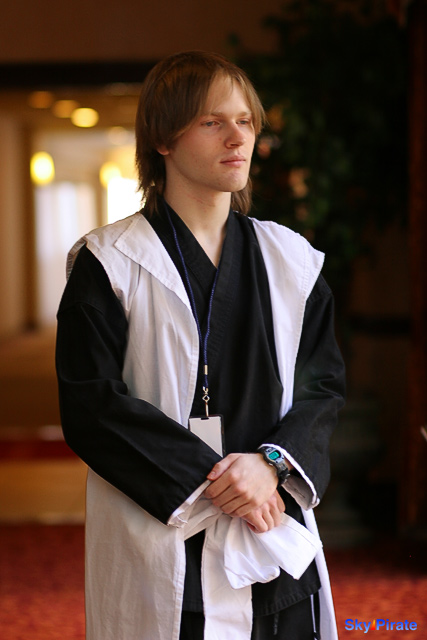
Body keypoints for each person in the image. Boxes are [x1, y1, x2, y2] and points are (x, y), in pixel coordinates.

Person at [56, 50, 345, 640]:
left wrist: (270, 465)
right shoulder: (109, 263)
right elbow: (91, 406)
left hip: (273, 526)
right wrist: (218, 482)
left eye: (246, 121)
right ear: (163, 139)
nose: (238, 138)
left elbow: (323, 387)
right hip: (168, 534)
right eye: (213, 122)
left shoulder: (293, 261)